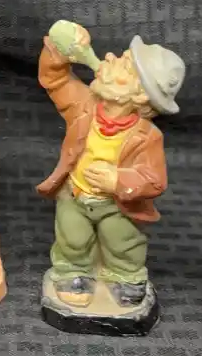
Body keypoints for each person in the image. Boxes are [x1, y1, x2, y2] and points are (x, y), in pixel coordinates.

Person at [36, 21, 184, 307]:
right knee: (72, 237)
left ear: (140, 95)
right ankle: (73, 272)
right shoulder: (83, 105)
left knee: (124, 242)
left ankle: (125, 276)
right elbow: (55, 81)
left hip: (117, 205)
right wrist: (59, 53)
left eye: (124, 65)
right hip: (76, 194)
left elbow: (154, 180)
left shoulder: (147, 136)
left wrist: (118, 180)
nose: (109, 57)